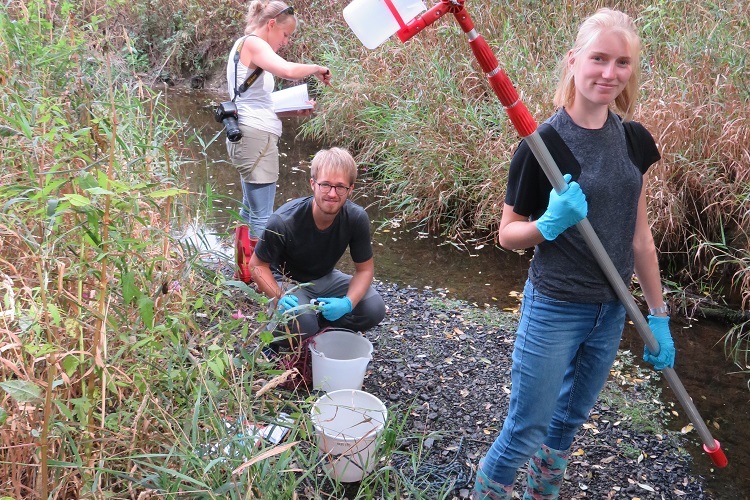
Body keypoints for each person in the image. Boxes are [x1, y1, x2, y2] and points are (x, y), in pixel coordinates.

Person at [473, 9, 676, 499]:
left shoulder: (632, 139)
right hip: (555, 308)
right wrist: (547, 225)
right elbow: (508, 234)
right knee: (526, 429)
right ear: (573, 61)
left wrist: (658, 314)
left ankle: (542, 494)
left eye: (622, 62)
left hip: (612, 310)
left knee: (567, 426)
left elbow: (640, 237)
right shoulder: (542, 146)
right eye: (599, 58)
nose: (609, 72)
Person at [225, 1, 332, 282]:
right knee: (262, 214)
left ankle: (244, 272)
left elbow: (255, 101)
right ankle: (262, 276)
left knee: (249, 208)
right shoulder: (253, 43)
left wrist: (294, 109)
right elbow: (286, 70)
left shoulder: (246, 47)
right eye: (285, 35)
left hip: (249, 133)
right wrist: (316, 67)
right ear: (271, 25)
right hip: (255, 137)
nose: (285, 42)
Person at [248, 147, 386, 346]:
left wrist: (348, 303)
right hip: (288, 282)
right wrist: (278, 297)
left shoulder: (356, 218)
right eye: (325, 185)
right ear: (313, 184)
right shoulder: (283, 221)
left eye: (340, 187)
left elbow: (364, 270)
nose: (332, 194)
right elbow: (257, 266)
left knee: (374, 307)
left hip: (325, 278)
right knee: (303, 322)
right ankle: (281, 337)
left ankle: (322, 326)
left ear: (351, 189)